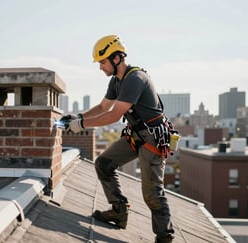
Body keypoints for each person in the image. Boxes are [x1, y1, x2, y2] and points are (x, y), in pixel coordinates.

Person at [63, 34, 175, 243]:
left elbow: (113, 114)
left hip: (152, 138)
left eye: (103, 62)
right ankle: (118, 211)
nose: (100, 67)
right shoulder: (117, 80)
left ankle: (165, 237)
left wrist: (82, 125)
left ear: (116, 58)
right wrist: (79, 117)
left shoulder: (135, 79)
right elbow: (103, 106)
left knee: (152, 193)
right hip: (135, 135)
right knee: (103, 164)